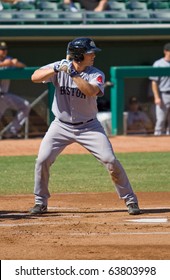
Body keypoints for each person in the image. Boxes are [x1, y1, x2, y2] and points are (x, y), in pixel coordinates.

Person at [29, 37, 140, 215]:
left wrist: (72, 73)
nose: (93, 55)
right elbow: (34, 77)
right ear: (79, 55)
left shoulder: (96, 73)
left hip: (89, 127)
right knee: (42, 160)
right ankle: (40, 201)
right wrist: (56, 68)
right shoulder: (60, 65)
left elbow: (90, 91)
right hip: (60, 126)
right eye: (90, 52)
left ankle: (130, 200)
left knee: (110, 160)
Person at [0, 41, 30, 138]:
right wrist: (4, 64)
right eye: (1, 49)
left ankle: (11, 132)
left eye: (5, 49)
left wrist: (16, 64)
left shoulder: (8, 59)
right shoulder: (6, 61)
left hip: (5, 95)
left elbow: (24, 67)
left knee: (25, 106)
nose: (4, 51)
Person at [149, 42, 170, 136]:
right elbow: (154, 82)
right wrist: (157, 97)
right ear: (165, 51)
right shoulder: (158, 63)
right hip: (163, 94)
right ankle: (156, 142)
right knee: (161, 120)